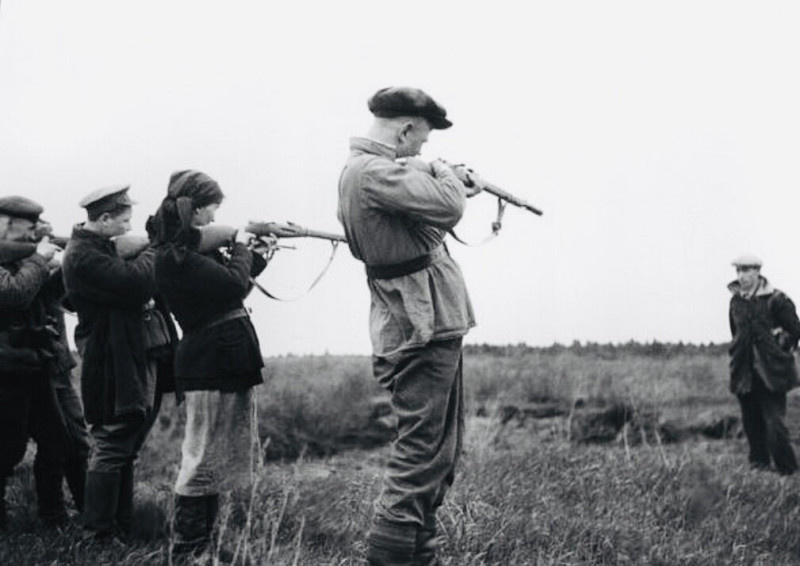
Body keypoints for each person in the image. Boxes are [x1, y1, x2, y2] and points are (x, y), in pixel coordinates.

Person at [337, 87, 481, 566]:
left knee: (439, 452)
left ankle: (420, 555)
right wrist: (445, 172)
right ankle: (392, 554)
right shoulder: (373, 172)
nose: (422, 146)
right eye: (421, 137)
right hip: (420, 323)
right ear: (404, 130)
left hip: (428, 320)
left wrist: (436, 175)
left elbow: (429, 207)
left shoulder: (372, 171)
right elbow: (449, 206)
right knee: (421, 452)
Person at [151, 170, 267, 555]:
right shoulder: (174, 255)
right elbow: (231, 284)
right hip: (209, 359)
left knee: (215, 457)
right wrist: (242, 246)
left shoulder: (184, 252)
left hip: (221, 357)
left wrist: (257, 255)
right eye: (212, 209)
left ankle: (205, 545)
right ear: (198, 210)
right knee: (201, 458)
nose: (215, 217)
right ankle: (187, 548)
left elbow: (230, 288)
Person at [62, 185, 176, 540]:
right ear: (105, 219)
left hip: (128, 353)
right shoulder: (83, 255)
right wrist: (156, 247)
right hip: (110, 358)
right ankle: (98, 533)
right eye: (124, 221)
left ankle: (120, 527)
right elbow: (136, 284)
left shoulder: (98, 249)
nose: (129, 228)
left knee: (125, 445)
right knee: (112, 442)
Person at [0, 196, 89, 528]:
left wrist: (67, 265)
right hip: (6, 369)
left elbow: (47, 296)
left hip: (34, 364)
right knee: (8, 449)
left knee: (58, 440)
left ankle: (54, 517)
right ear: (7, 224)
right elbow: (13, 294)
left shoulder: (23, 259)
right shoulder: (24, 259)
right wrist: (38, 259)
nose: (33, 232)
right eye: (29, 226)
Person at [728, 253, 800, 476]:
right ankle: (760, 470)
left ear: (758, 272)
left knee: (775, 426)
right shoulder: (735, 301)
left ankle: (788, 472)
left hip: (771, 372)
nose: (742, 276)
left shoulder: (777, 299)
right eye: (739, 271)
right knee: (752, 425)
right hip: (744, 372)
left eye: (747, 270)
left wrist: (779, 343)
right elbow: (735, 333)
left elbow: (795, 331)